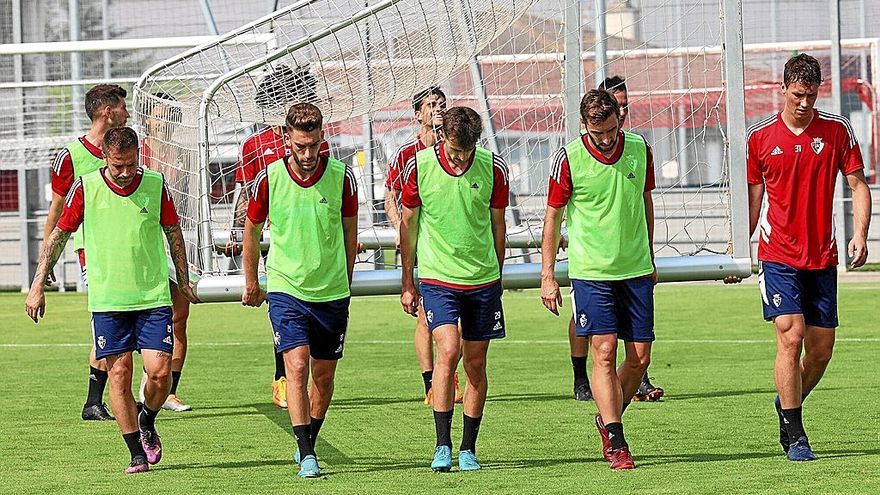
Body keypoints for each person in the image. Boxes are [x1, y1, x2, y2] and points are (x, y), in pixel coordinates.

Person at [25, 126, 199, 474]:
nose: (124, 173)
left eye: (130, 164)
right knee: (119, 374)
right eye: (118, 165)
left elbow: (173, 232)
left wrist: (183, 279)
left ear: (138, 157)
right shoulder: (86, 187)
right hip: (108, 300)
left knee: (160, 372)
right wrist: (37, 284)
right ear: (105, 157)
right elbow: (60, 235)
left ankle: (147, 418)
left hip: (151, 296)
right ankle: (136, 452)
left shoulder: (154, 184)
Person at [736, 53, 872, 461]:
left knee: (822, 350)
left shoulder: (836, 131)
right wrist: (738, 252)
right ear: (783, 88)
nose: (804, 103)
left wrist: (861, 234)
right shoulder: (759, 137)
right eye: (797, 94)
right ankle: (795, 433)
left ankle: (786, 400)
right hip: (778, 255)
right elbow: (753, 199)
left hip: (822, 256)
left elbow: (858, 184)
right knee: (790, 335)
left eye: (811, 96)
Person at [541, 90, 657, 470]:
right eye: (597, 132)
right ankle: (617, 438)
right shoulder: (569, 158)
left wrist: (651, 256)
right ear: (582, 126)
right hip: (591, 273)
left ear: (620, 120)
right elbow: (553, 218)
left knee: (639, 358)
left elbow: (645, 201)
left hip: (636, 270)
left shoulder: (640, 149)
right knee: (604, 352)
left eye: (610, 129)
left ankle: (607, 419)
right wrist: (548, 275)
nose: (605, 138)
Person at [241, 103, 358, 478]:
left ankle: (307, 439)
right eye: (300, 146)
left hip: (332, 293)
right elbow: (251, 232)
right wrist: (252, 281)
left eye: (313, 145)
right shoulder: (269, 177)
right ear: (286, 139)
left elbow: (350, 233)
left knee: (323, 379)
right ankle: (308, 453)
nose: (307, 155)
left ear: (322, 137)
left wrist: (346, 280)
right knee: (297, 365)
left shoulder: (342, 177)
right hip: (286, 288)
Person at [399, 106, 509, 472]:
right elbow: (408, 225)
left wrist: (497, 274)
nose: (460, 159)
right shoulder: (419, 166)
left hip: (482, 281)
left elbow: (498, 226)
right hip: (438, 278)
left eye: (466, 152)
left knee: (476, 363)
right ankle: (442, 445)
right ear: (441, 136)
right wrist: (407, 281)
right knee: (448, 350)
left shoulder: (493, 168)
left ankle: (468, 448)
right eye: (453, 150)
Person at [226, 67, 329, 409]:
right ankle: (281, 378)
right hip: (274, 237)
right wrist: (236, 230)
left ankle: (296, 378)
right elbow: (246, 192)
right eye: (280, 94)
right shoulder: (254, 146)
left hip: (310, 237)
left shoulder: (316, 144)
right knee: (282, 308)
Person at [44, 84, 129, 421]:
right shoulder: (71, 156)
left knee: (121, 324)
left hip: (127, 253)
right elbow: (56, 211)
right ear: (107, 112)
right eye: (123, 106)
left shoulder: (126, 150)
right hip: (91, 254)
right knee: (108, 323)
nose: (127, 112)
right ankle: (98, 400)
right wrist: (46, 259)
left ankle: (98, 401)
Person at [384, 86, 463, 406]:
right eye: (431, 104)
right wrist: (399, 227)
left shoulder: (458, 147)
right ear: (418, 114)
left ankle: (448, 378)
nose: (438, 109)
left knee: (452, 318)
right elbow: (390, 194)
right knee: (423, 316)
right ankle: (431, 382)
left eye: (442, 103)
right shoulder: (406, 154)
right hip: (418, 241)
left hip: (448, 243)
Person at [140, 92, 193, 412]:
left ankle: (171, 389)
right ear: (147, 119)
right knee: (145, 315)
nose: (164, 122)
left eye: (169, 116)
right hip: (148, 242)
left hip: (177, 235)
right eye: (159, 115)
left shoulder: (184, 154)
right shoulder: (139, 153)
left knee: (180, 318)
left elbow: (188, 198)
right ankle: (148, 379)